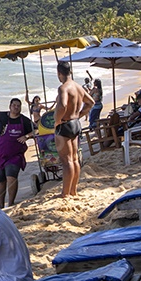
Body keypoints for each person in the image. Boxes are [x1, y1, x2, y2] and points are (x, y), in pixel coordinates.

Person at [0, 98, 35, 208]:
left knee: (11, 178)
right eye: (14, 105)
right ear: (10, 106)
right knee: (0, 181)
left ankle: (11, 204)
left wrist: (26, 136)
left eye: (18, 106)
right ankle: (1, 206)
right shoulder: (1, 116)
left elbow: (36, 129)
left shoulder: (24, 120)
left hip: (15, 156)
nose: (16, 107)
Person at [53, 61, 93, 198]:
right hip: (76, 123)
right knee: (75, 159)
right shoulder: (78, 87)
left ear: (59, 73)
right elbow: (91, 103)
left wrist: (57, 121)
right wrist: (80, 114)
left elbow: (63, 105)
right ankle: (73, 190)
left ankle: (65, 193)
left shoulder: (63, 88)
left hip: (65, 124)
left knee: (66, 161)